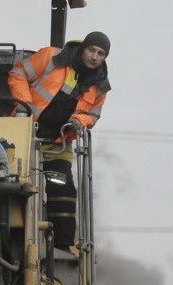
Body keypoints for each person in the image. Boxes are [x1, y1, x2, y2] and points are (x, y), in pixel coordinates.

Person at [7, 31, 112, 249]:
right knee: (13, 184)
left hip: (58, 144)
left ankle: (62, 248)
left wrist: (79, 120)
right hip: (24, 136)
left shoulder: (100, 86)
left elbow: (93, 115)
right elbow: (17, 73)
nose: (94, 56)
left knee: (63, 190)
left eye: (100, 53)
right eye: (91, 50)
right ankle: (9, 237)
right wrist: (25, 108)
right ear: (83, 48)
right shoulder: (51, 58)